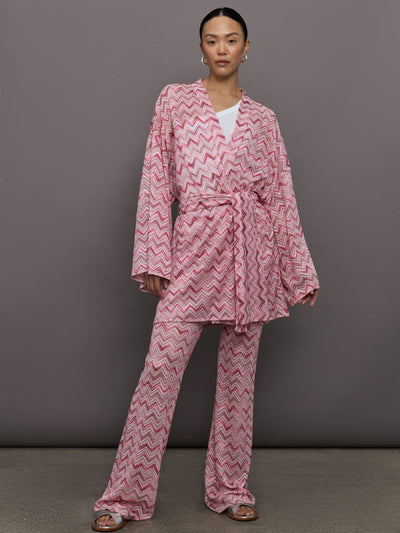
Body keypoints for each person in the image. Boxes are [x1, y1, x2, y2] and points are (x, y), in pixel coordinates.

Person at [91, 6, 320, 531]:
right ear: (201, 48)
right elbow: (156, 178)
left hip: (251, 253)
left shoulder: (264, 119)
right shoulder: (175, 101)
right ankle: (123, 498)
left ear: (246, 48)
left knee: (239, 380)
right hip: (193, 248)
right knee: (160, 369)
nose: (222, 48)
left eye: (231, 39)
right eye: (212, 39)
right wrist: (154, 255)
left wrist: (298, 272)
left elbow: (280, 197)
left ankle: (230, 488)